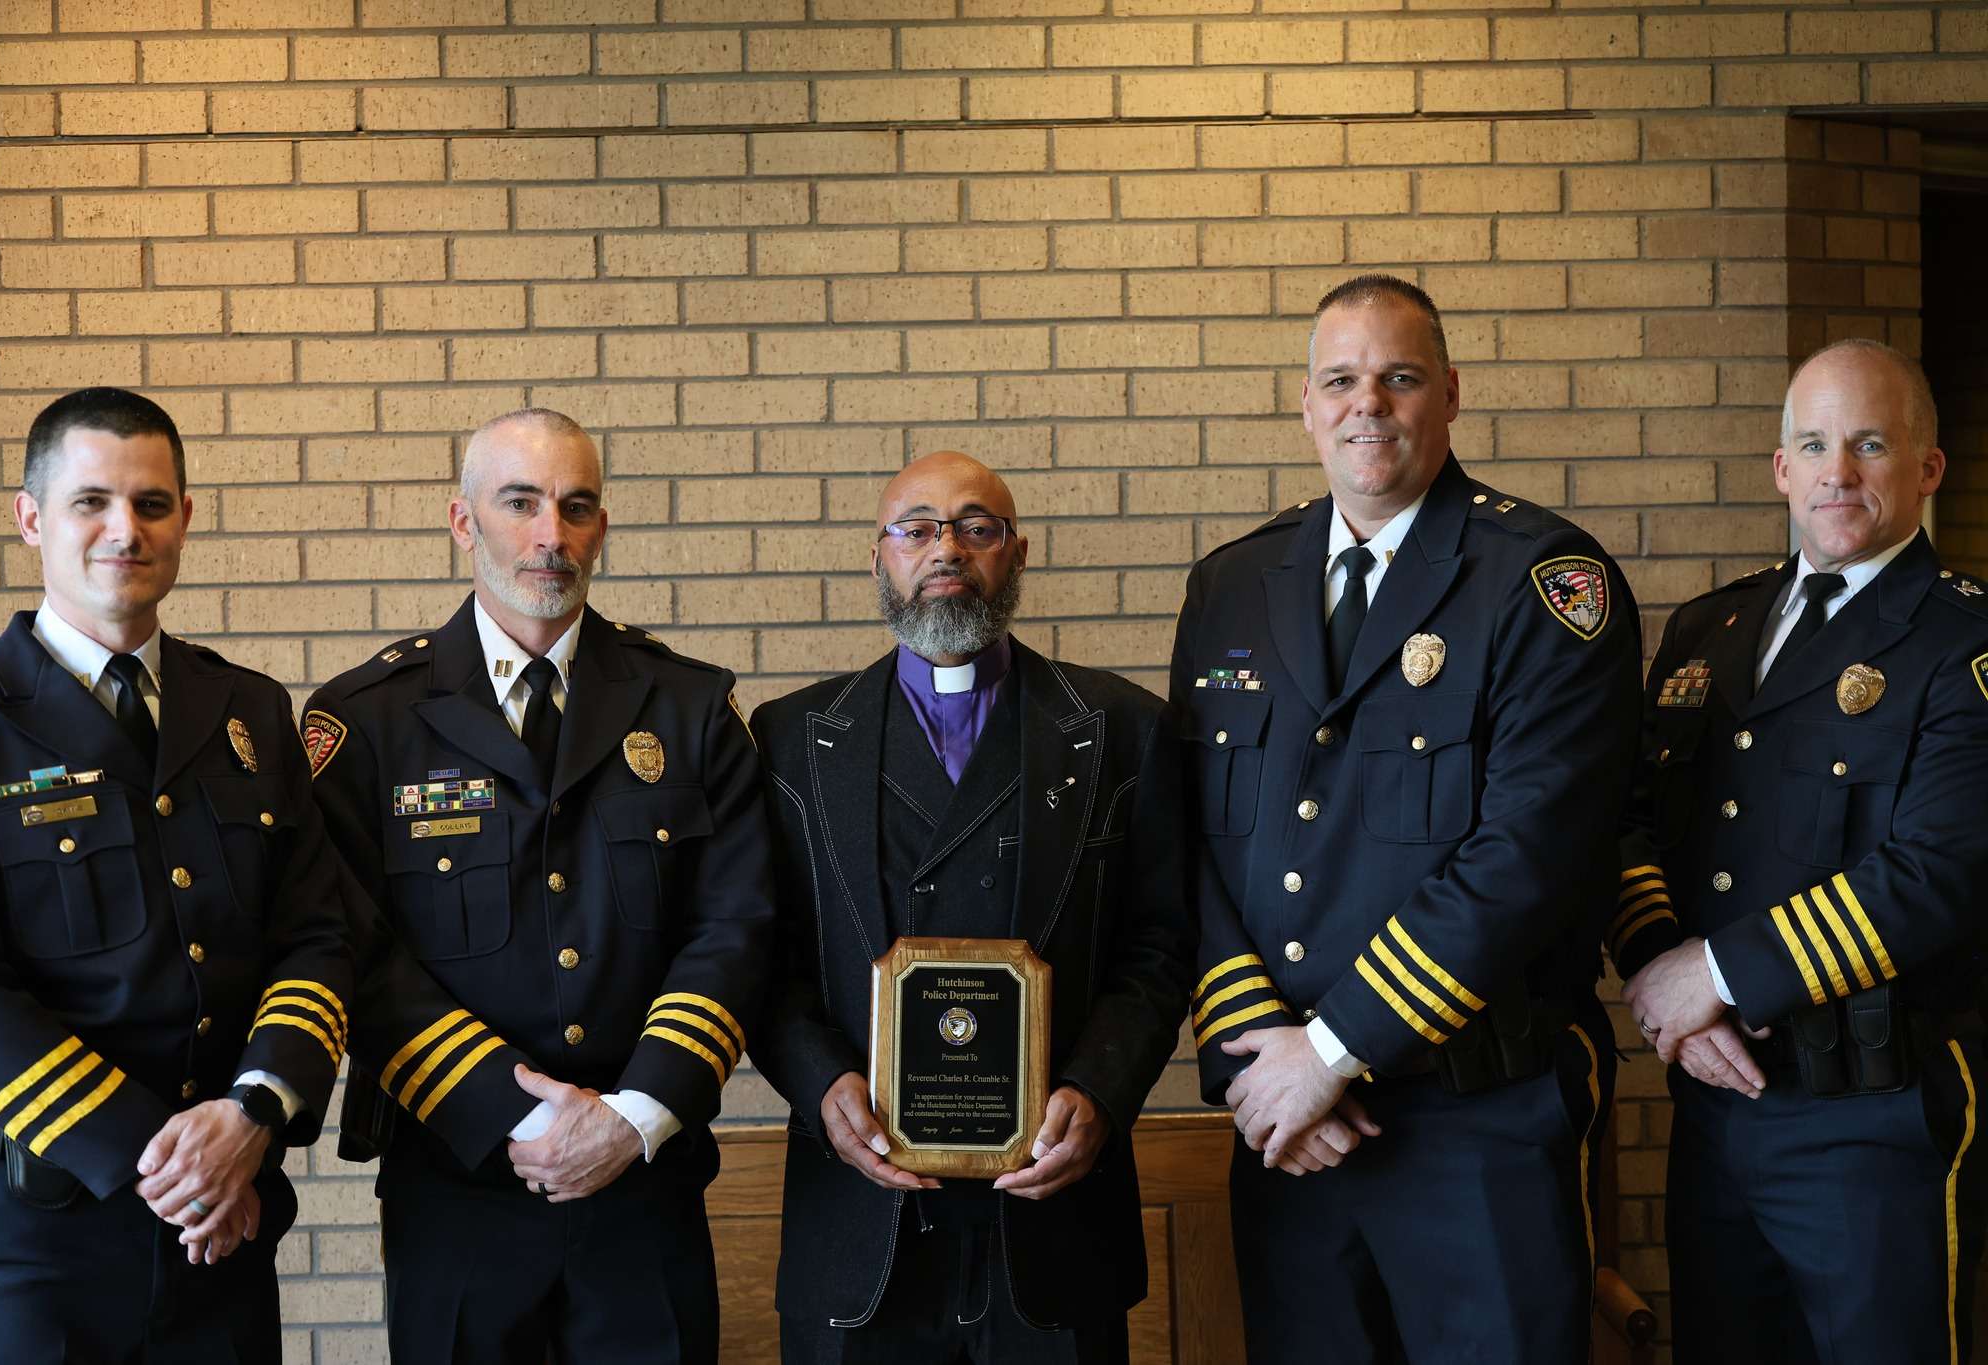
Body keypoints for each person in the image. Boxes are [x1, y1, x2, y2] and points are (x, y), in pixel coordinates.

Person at [1170, 276, 1642, 1361]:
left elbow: (1526, 857)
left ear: (1449, 396)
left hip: (1477, 1115)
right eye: (1339, 380)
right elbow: (1188, 843)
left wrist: (1330, 1051)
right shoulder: (1231, 584)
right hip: (1288, 1127)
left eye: (1398, 377)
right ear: (1303, 404)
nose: (1365, 404)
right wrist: (1261, 1060)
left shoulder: (1543, 581)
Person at [303, 407, 772, 1364]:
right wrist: (523, 1116)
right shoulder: (368, 722)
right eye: (520, 503)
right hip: (460, 1183)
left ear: (602, 526)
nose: (551, 535)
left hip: (645, 1180)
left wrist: (631, 1117)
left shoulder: (688, 708)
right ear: (463, 521)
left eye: (576, 506)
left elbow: (738, 926)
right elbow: (358, 950)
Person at [749, 451, 1192, 1364]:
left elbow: (1160, 945)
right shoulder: (791, 741)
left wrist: (1100, 1093)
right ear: (878, 559)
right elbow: (760, 953)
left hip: (1055, 1219)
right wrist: (821, 1086)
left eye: (975, 526)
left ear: (1015, 553)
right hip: (859, 1216)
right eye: (915, 527)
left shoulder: (1122, 730)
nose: (944, 547)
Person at [0, 387, 353, 1361]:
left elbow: (317, 938)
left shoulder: (248, 713)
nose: (124, 530)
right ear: (32, 517)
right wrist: (170, 1164)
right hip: (35, 1246)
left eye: (152, 503)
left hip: (226, 1239)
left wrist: (253, 1113)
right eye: (91, 501)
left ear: (185, 520)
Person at [1615, 338, 1988, 1363]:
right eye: (1813, 445)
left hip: (1874, 1118)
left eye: (1869, 444)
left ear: (1925, 468)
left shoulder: (1962, 647)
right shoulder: (1705, 632)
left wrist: (1716, 972)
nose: (1837, 473)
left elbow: (1938, 875)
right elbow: (1631, 824)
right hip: (1716, 1102)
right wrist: (1661, 980)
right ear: (1780, 468)